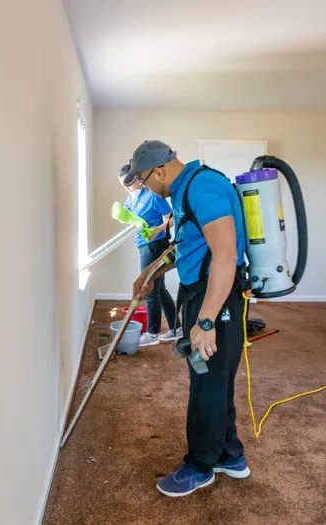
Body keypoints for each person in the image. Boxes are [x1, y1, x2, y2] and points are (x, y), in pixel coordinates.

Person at [126, 140, 250, 497]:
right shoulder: (184, 190)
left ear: (159, 171)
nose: (146, 189)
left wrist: (206, 322)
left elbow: (225, 257)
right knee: (217, 379)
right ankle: (230, 454)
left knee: (206, 382)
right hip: (203, 294)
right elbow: (185, 245)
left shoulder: (203, 186)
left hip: (217, 299)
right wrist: (150, 272)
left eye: (145, 181)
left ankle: (201, 465)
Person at [118, 163, 182, 346]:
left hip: (155, 244)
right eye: (122, 183)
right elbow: (130, 217)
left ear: (137, 179)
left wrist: (159, 228)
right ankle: (176, 328)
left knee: (149, 287)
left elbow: (172, 217)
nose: (125, 186)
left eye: (127, 182)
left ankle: (153, 333)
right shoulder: (130, 198)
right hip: (142, 244)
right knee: (159, 289)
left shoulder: (152, 196)